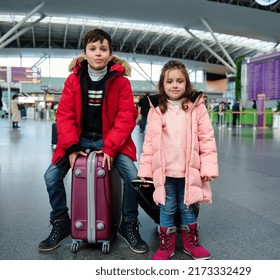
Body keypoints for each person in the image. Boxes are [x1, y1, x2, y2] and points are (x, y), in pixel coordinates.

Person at [39, 28, 148, 254]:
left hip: (111, 141)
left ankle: (128, 224)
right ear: (85, 53)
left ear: (110, 54)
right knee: (51, 176)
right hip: (79, 139)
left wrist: (111, 146)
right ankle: (61, 222)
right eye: (93, 49)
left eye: (103, 49)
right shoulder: (73, 80)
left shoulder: (121, 82)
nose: (98, 53)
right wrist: (71, 146)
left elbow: (127, 116)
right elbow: (65, 115)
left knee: (134, 179)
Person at [137, 60, 218, 260]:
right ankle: (166, 246)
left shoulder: (196, 107)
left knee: (188, 206)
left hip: (189, 170)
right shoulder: (157, 109)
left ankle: (192, 243)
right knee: (167, 206)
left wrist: (208, 167)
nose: (175, 85)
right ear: (163, 85)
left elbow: (206, 138)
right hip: (164, 171)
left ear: (186, 84)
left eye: (180, 81)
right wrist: (146, 170)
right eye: (170, 81)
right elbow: (149, 142)